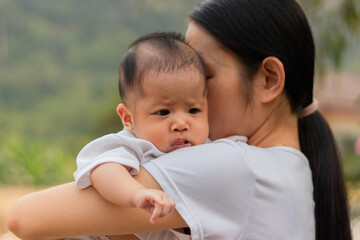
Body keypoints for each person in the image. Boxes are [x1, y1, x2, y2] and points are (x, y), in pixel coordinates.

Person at [6, 0, 352, 240]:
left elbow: (25, 217)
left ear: (269, 80)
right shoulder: (289, 169)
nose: (190, 98)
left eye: (204, 77)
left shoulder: (236, 165)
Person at [73, 32, 210, 227]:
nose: (181, 124)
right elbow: (103, 170)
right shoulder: (133, 145)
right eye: (163, 112)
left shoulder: (212, 146)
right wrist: (137, 193)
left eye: (194, 110)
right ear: (128, 118)